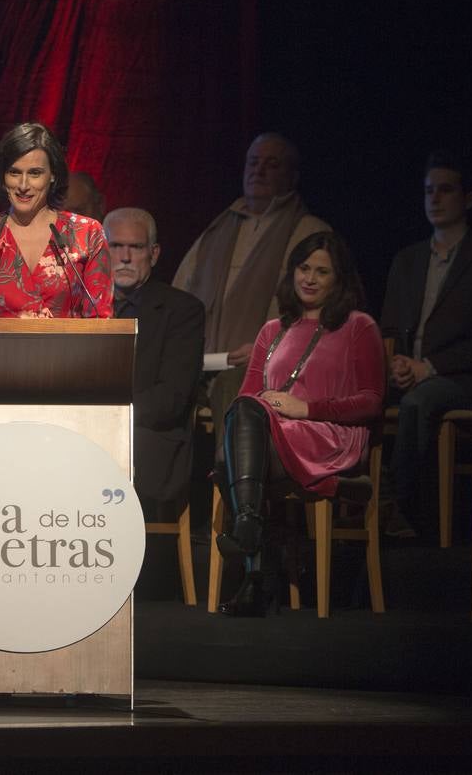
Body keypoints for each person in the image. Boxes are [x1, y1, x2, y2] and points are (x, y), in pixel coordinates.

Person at [214, 231, 384, 617]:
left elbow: (372, 402)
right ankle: (252, 541)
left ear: (339, 278)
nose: (309, 278)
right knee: (241, 415)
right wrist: (269, 409)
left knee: (230, 459)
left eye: (322, 271)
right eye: (303, 268)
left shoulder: (359, 326)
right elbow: (248, 393)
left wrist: (305, 408)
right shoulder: (272, 330)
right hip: (272, 435)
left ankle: (256, 567)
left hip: (327, 435)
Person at [379, 153, 472, 538]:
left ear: (469, 198)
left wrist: (428, 367)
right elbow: (388, 329)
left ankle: (398, 510)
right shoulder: (407, 260)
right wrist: (394, 364)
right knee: (351, 388)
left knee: (422, 400)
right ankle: (349, 503)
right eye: (428, 191)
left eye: (446, 190)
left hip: (462, 381)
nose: (434, 199)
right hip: (408, 375)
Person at [172, 133, 329, 446]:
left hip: (267, 366)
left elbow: (317, 313)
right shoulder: (218, 228)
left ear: (292, 176)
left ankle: (235, 481)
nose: (259, 171)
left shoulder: (309, 231)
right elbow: (181, 292)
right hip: (205, 360)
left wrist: (267, 350)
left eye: (271, 165)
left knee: (234, 385)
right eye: (253, 163)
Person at [0, 122, 112, 318]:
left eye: (35, 173)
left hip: (68, 350)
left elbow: (102, 327)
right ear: (2, 176)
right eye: (14, 172)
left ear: (53, 175)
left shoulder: (88, 234)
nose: (23, 185)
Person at [104, 207, 204, 510]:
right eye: (115, 246)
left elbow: (170, 399)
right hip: (84, 435)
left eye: (135, 247)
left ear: (154, 253)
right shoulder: (81, 306)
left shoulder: (182, 311)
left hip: (146, 440)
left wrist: (108, 417)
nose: (124, 257)